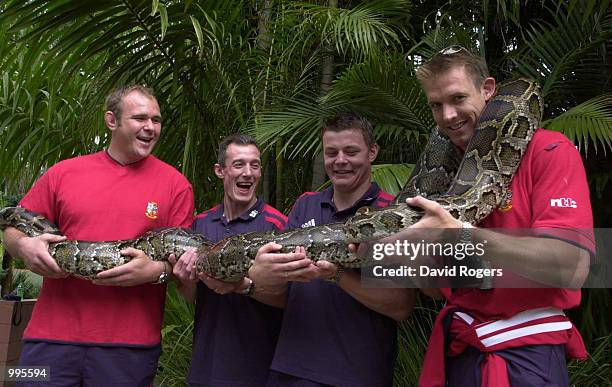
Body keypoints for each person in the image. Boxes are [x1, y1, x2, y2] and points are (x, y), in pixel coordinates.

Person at [370, 46, 594, 386]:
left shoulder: (549, 152)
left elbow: (572, 267)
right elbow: (434, 291)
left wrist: (462, 234)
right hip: (462, 350)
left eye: (458, 98)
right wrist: (408, 256)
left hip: (529, 355)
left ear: (488, 90)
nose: (447, 116)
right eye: (436, 105)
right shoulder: (441, 183)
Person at [2, 85, 195, 386]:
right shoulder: (63, 173)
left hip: (129, 347)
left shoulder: (176, 184)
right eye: (140, 118)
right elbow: (13, 228)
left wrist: (155, 271)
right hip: (48, 340)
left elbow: (183, 262)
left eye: (156, 120)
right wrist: (25, 246)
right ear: (111, 121)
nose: (150, 127)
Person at [248, 112, 415, 387]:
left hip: (355, 374)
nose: (340, 161)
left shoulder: (392, 212)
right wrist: (255, 281)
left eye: (351, 151)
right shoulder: (306, 205)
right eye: (331, 152)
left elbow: (400, 306)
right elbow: (287, 293)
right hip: (290, 368)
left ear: (372, 152)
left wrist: (337, 276)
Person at [169, 134, 304, 387]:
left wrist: (244, 286)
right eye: (239, 164)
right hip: (206, 367)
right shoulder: (200, 225)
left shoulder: (278, 227)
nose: (248, 173)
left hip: (261, 370)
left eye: (254, 165)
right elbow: (192, 295)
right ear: (220, 171)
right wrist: (185, 281)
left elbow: (294, 300)